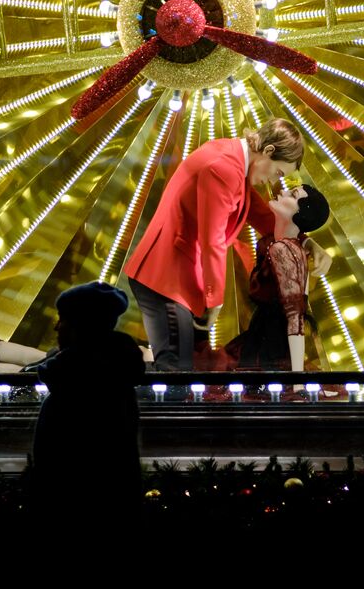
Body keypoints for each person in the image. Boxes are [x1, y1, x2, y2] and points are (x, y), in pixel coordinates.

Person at [123, 119, 305, 371]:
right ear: (269, 151)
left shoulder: (234, 160)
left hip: (173, 275)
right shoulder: (224, 168)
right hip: (164, 276)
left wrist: (304, 241)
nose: (272, 181)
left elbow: (258, 212)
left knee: (180, 368)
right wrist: (215, 299)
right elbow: (213, 240)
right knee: (175, 370)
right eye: (278, 173)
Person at [30, 281, 145, 519]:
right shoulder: (117, 376)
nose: (57, 327)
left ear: (79, 326)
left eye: (62, 319)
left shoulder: (71, 383)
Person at [229, 184, 332, 392]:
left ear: (301, 213)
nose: (281, 190)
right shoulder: (275, 244)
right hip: (264, 333)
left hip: (271, 341)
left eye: (292, 194)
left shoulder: (282, 249)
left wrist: (297, 379)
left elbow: (296, 316)